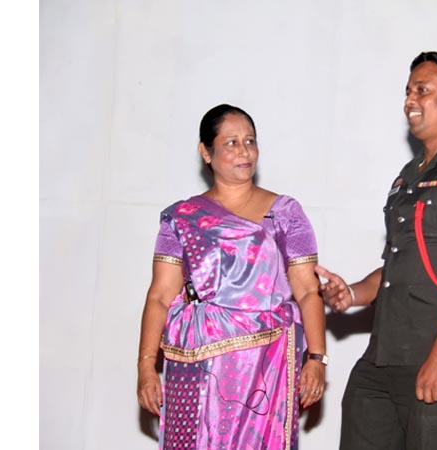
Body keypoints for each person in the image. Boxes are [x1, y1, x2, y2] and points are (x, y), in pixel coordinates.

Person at [315, 52, 437, 450]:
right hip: (386, 353)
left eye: (422, 90)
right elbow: (399, 265)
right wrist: (352, 293)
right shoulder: (406, 178)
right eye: (408, 91)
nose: (410, 100)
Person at [137, 104, 328, 449]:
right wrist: (146, 366)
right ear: (205, 152)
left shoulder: (285, 213)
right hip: (197, 360)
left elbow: (307, 290)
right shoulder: (182, 217)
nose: (244, 151)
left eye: (250, 141)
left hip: (265, 364)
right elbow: (160, 296)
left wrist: (316, 358)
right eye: (231, 142)